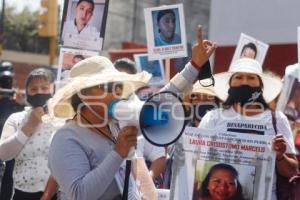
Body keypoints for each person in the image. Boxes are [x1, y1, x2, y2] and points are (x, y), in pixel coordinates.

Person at [47, 25, 216, 199]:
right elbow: (79, 194)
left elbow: (162, 101)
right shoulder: (66, 138)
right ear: (83, 95)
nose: (116, 92)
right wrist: (118, 153)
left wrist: (194, 66)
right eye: (105, 87)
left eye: (117, 86)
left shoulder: (117, 122)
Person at [199, 58, 298, 200]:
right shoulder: (212, 118)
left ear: (260, 85)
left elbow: (292, 171)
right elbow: (195, 160)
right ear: (230, 84)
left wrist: (280, 156)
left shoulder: (277, 119)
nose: (244, 82)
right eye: (238, 77)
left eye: (251, 77)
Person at [0, 68, 60, 200]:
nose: (39, 92)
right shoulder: (16, 119)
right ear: (27, 92)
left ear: (54, 90)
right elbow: (3, 154)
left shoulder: (63, 120)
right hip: (22, 193)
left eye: (44, 88)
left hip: (57, 194)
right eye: (33, 89)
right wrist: (29, 126)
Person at [0, 61, 24, 200]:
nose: (6, 83)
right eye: (3, 80)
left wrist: (21, 103)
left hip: (8, 142)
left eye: (8, 80)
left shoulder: (16, 99)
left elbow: (23, 119)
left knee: (8, 177)